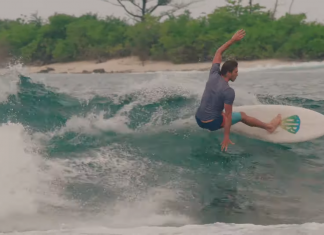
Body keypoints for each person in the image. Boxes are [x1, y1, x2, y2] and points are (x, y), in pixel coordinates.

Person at [195, 29, 282, 152]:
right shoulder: (228, 91)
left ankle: (216, 117)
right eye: (236, 72)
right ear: (229, 73)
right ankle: (269, 127)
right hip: (212, 124)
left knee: (216, 106)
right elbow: (229, 116)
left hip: (199, 119)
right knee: (242, 116)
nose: (237, 74)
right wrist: (226, 137)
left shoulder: (213, 73)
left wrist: (232, 40)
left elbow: (219, 51)